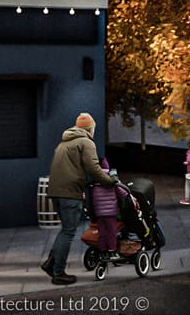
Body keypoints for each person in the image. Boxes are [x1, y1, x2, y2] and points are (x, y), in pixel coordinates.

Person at [42, 112, 114, 285]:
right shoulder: (86, 142)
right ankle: (59, 273)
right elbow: (93, 168)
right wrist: (110, 181)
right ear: (90, 129)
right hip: (70, 193)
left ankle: (51, 263)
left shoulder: (64, 143)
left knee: (65, 230)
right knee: (69, 232)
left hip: (56, 192)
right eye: (93, 128)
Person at [88, 156, 121, 258]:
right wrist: (129, 196)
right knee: (112, 232)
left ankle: (102, 251)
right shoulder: (112, 178)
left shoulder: (94, 180)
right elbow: (121, 191)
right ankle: (112, 251)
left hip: (99, 213)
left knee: (102, 233)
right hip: (110, 213)